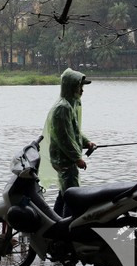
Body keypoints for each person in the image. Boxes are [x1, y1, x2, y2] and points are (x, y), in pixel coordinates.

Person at [39, 68, 97, 217]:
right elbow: (64, 137)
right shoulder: (62, 108)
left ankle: (55, 222)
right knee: (72, 196)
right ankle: (66, 227)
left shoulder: (69, 106)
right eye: (80, 86)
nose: (82, 91)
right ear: (71, 87)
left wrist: (87, 142)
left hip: (66, 159)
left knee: (65, 193)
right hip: (64, 159)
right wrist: (76, 158)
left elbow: (74, 132)